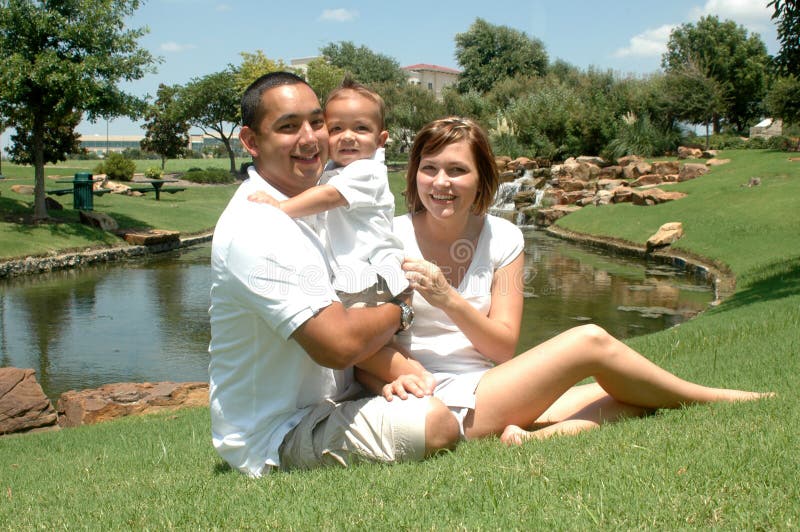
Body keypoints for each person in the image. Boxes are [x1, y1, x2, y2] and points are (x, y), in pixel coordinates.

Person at [361, 116, 771, 444]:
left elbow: (502, 347)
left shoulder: (504, 237)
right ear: (413, 174)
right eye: (429, 169)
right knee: (589, 341)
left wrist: (448, 298)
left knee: (633, 393)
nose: (441, 183)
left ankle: (538, 438)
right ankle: (718, 399)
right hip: (431, 397)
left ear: (482, 179)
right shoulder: (387, 239)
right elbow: (359, 345)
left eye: (457, 170)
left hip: (489, 384)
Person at [207, 72, 459, 477]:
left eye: (316, 122)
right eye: (288, 126)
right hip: (279, 433)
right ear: (251, 141)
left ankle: (584, 402)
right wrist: (402, 306)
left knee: (458, 392)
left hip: (338, 396)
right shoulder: (259, 225)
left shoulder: (314, 202)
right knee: (437, 421)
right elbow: (339, 345)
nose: (310, 138)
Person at [246, 79, 416, 387]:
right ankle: (397, 384)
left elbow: (328, 197)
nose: (347, 137)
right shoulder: (334, 169)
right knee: (371, 351)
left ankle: (416, 377)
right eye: (336, 129)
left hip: (371, 274)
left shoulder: (368, 172)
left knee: (356, 343)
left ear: (381, 139)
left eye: (361, 129)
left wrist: (280, 207)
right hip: (357, 275)